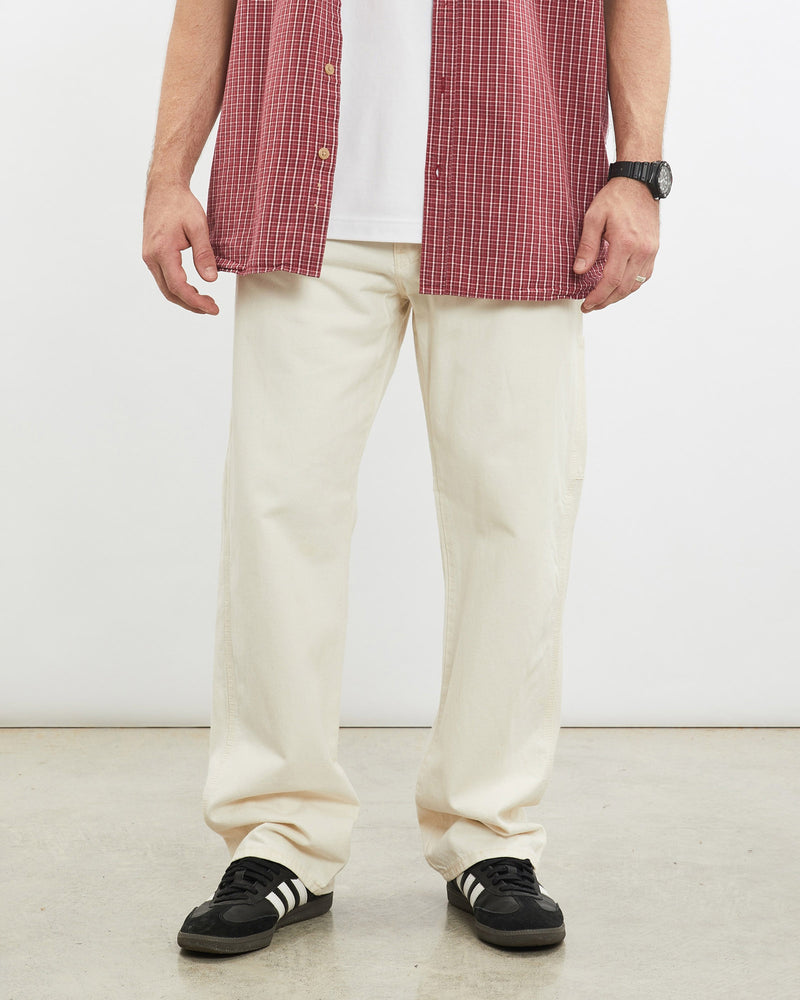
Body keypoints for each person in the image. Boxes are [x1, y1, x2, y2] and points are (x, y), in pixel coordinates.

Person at [142, 0, 671, 956]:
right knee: (276, 515)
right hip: (302, 189)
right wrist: (166, 175)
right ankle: (280, 837)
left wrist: (637, 173)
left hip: (517, 186)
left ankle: (490, 832)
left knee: (515, 522)